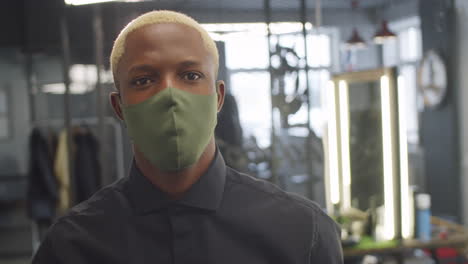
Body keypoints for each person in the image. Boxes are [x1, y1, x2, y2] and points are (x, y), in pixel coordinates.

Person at [32, 10, 343, 264]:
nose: (169, 95)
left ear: (218, 97)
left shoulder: (303, 234)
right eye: (144, 80)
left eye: (190, 76)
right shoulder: (71, 247)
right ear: (119, 107)